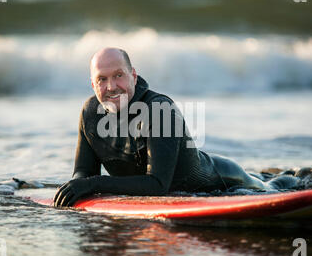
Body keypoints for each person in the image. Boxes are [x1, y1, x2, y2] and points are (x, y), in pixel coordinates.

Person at [53, 48, 298, 207]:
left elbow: (158, 185)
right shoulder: (89, 113)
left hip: (223, 181)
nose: (111, 86)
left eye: (118, 75)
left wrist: (94, 185)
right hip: (173, 185)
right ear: (92, 84)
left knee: (274, 186)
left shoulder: (160, 109)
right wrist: (78, 185)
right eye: (102, 79)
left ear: (133, 76)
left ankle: (295, 178)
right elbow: (84, 172)